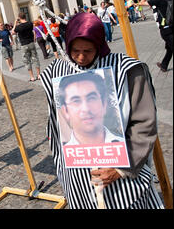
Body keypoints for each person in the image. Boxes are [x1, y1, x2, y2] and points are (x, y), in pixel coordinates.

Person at [40, 12, 164, 209]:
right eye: (75, 50)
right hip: (79, 180)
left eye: (88, 51)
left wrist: (121, 168)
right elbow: (56, 124)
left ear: (100, 46)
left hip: (124, 181)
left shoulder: (126, 70)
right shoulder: (56, 71)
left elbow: (144, 122)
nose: (81, 57)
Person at [58, 72, 124, 146]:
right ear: (65, 111)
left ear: (104, 104)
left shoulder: (125, 145)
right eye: (76, 101)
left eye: (91, 98)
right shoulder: (62, 154)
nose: (86, 109)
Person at [139, 0, 172, 73]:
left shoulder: (157, 0)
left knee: (171, 47)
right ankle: (164, 65)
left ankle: (164, 65)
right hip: (171, 26)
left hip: (166, 29)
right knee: (169, 49)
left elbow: (141, 2)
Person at [12, 12, 41, 81]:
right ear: (25, 16)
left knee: (27, 60)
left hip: (24, 45)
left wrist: (15, 23)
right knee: (35, 58)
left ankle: (32, 77)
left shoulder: (19, 27)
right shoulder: (30, 23)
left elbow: (13, 32)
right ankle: (39, 75)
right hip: (31, 43)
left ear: (19, 17)